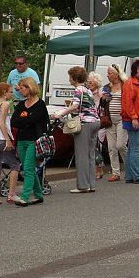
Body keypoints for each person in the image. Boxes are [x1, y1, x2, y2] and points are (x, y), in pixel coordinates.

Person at [53, 66, 100, 194]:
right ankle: (91, 184)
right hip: (95, 122)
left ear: (75, 78)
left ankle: (83, 185)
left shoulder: (78, 90)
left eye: (70, 77)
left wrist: (60, 114)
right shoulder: (87, 90)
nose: (69, 79)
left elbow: (75, 106)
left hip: (85, 123)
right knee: (90, 154)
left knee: (81, 155)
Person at [10, 77, 48, 206]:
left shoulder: (40, 104)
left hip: (34, 140)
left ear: (29, 88)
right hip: (21, 140)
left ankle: (25, 197)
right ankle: (38, 195)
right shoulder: (21, 104)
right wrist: (26, 120)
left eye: (22, 88)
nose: (20, 90)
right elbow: (14, 121)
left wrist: (24, 120)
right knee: (30, 168)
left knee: (27, 168)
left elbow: (34, 120)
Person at [0, 83, 19, 205]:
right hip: (2, 139)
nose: (12, 94)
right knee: (15, 165)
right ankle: (11, 194)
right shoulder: (6, 104)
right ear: (4, 93)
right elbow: (2, 122)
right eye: (10, 91)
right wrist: (7, 139)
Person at [103, 64, 127, 182]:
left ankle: (130, 168)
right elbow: (103, 105)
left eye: (109, 73)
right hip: (110, 120)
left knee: (120, 145)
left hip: (122, 119)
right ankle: (115, 173)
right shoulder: (107, 87)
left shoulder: (125, 85)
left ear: (116, 74)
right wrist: (103, 99)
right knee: (111, 148)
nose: (107, 75)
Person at [87, 71, 105, 181]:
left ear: (97, 82)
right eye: (88, 82)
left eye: (91, 82)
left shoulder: (101, 92)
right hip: (90, 121)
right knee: (92, 146)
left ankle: (99, 168)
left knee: (97, 146)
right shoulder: (87, 93)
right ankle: (97, 168)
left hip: (100, 122)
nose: (89, 84)